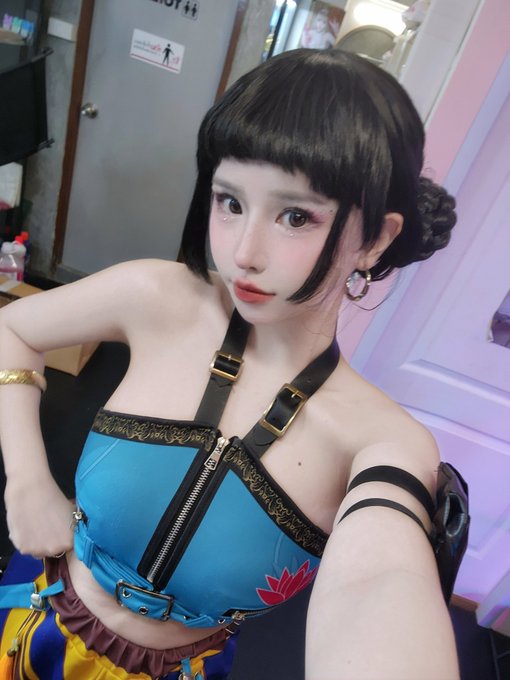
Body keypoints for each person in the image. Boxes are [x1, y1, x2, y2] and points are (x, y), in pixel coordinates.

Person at [0, 48, 461, 679]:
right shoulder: (161, 297)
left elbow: (381, 581)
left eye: (295, 216)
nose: (244, 251)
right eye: (230, 201)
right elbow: (12, 327)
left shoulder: (384, 443)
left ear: (375, 238)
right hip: (36, 622)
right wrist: (27, 479)